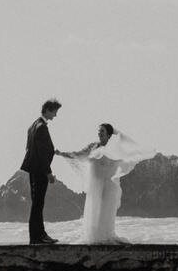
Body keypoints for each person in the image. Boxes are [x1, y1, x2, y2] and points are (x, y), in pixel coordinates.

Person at [55, 123, 155, 244]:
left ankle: (106, 236)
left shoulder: (116, 148)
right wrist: (62, 154)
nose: (99, 133)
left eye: (102, 131)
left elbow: (129, 154)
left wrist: (142, 152)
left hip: (110, 185)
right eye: (99, 131)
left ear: (109, 134)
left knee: (107, 211)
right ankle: (95, 237)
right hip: (95, 185)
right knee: (95, 210)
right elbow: (79, 155)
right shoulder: (93, 147)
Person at [21, 99, 61, 245]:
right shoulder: (41, 127)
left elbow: (30, 149)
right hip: (39, 171)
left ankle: (38, 235)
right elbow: (41, 153)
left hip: (33, 170)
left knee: (36, 203)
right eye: (55, 112)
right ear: (49, 110)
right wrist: (48, 173)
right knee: (38, 204)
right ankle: (38, 237)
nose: (56, 115)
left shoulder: (32, 126)